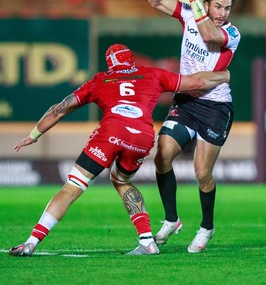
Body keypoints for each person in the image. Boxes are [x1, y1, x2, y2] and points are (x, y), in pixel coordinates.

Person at [9, 44, 229, 257]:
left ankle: (31, 241)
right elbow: (197, 81)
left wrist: (34, 135)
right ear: (131, 60)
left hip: (111, 133)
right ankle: (147, 241)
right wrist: (224, 75)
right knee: (122, 180)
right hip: (142, 137)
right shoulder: (152, 74)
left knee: (73, 186)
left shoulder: (100, 80)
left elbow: (59, 109)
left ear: (109, 63)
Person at [148, 0, 241, 253]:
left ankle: (206, 227)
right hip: (187, 103)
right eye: (218, 7)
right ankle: (172, 220)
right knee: (162, 155)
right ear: (209, 3)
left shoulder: (232, 34)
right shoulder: (190, 13)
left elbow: (210, 36)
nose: (223, 13)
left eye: (227, 8)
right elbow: (155, 0)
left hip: (215, 108)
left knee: (202, 173)